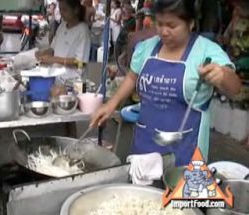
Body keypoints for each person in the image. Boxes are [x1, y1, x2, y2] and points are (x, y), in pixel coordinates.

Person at [90, 0, 241, 167]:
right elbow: (132, 78)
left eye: (171, 25)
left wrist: (223, 76)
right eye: (159, 24)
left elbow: (235, 88)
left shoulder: (207, 51)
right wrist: (111, 105)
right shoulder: (147, 47)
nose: (164, 31)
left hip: (186, 151)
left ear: (190, 23)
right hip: (145, 144)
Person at [35, 0, 91, 80]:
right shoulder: (62, 26)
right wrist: (41, 54)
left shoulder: (83, 30)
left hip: (73, 80)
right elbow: (53, 49)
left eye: (64, 10)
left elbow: (81, 63)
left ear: (75, 10)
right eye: (60, 9)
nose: (61, 12)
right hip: (56, 75)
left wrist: (54, 59)